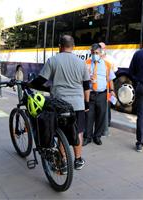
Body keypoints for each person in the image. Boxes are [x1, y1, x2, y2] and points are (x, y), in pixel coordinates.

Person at [28, 35, 90, 170]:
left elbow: (41, 80)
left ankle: (63, 161)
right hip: (78, 104)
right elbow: (86, 86)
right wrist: (87, 104)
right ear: (73, 47)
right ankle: (78, 160)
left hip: (60, 104)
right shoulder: (81, 63)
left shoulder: (53, 60)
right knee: (78, 130)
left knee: (62, 130)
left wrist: (30, 85)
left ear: (60, 46)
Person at [83, 43, 116, 146]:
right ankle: (87, 137)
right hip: (90, 94)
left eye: (96, 53)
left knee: (101, 116)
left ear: (101, 53)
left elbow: (110, 79)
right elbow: (81, 79)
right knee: (89, 116)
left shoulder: (107, 64)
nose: (94, 55)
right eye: (93, 53)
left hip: (102, 94)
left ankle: (97, 136)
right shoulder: (86, 63)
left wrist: (112, 90)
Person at [99, 42, 116, 130]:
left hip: (108, 88)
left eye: (102, 48)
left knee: (107, 106)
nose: (101, 50)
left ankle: (107, 123)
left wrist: (112, 90)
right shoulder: (94, 59)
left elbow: (112, 76)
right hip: (98, 88)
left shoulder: (110, 60)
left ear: (105, 49)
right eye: (99, 48)